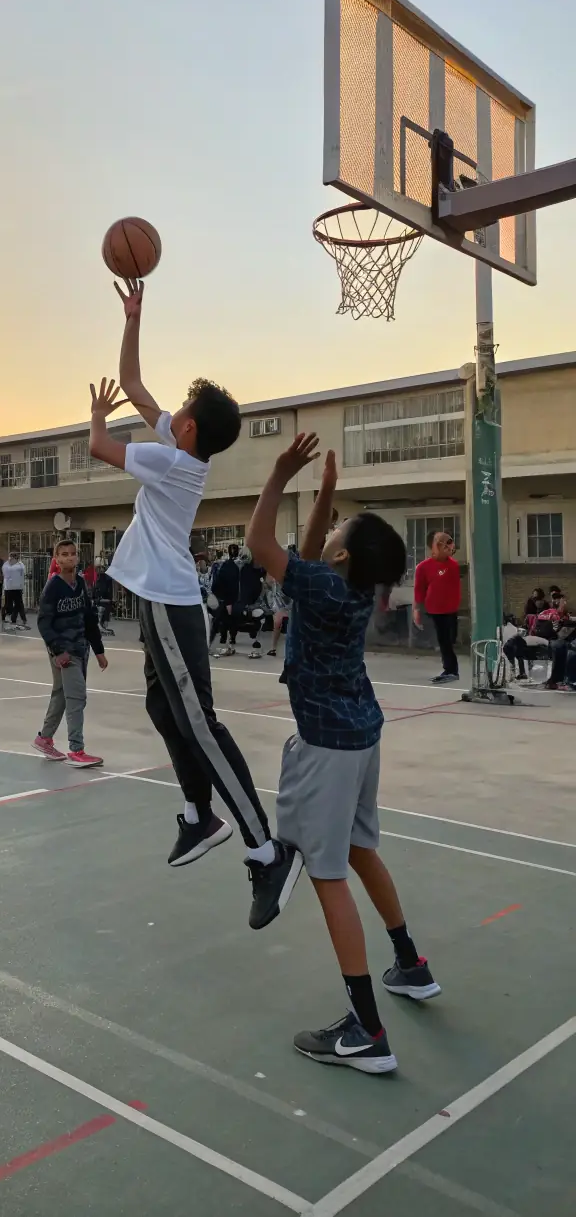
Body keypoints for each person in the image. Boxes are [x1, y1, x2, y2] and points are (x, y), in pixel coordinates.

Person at [89, 276, 299, 930]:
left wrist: (97, 418)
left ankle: (266, 850)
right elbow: (133, 378)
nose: (169, 409)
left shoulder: (169, 462)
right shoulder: (178, 448)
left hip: (172, 602)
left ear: (186, 426)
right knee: (161, 704)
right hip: (161, 601)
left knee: (199, 721)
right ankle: (197, 813)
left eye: (178, 407)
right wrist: (133, 314)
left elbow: (99, 444)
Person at [247, 434, 438, 1075]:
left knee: (328, 873)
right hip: (362, 735)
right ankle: (410, 963)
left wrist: (277, 475)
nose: (325, 536)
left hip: (327, 745)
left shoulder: (325, 591)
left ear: (344, 554)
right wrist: (324, 493)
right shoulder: (336, 587)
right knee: (359, 849)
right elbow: (303, 553)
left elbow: (261, 546)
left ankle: (366, 1031)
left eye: (335, 530)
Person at [33, 538, 108, 768]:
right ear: (56, 559)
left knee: (61, 694)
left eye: (72, 553)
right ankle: (77, 749)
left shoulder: (81, 584)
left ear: (78, 557)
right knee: (76, 697)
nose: (69, 557)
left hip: (81, 647)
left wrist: (99, 651)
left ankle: (44, 738)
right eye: (63, 554)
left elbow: (89, 618)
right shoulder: (53, 587)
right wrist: (57, 650)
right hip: (64, 651)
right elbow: (44, 623)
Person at [413, 531, 461, 683]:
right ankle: (451, 669)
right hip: (435, 610)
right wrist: (417, 610)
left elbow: (455, 588)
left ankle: (451, 668)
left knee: (449, 640)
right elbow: (419, 590)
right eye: (442, 543)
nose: (447, 546)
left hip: (451, 610)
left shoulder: (453, 565)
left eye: (448, 542)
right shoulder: (423, 567)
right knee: (444, 640)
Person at [1, 551, 29, 630]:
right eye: (10, 557)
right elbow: (5, 573)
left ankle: (21, 619)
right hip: (8, 587)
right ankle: (5, 617)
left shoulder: (20, 565)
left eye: (12, 557)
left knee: (19, 604)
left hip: (17, 588)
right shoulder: (6, 565)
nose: (10, 559)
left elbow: (22, 573)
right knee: (8, 604)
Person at [265, 574, 290, 657]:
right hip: (278, 601)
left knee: (292, 625)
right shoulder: (272, 572)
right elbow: (268, 583)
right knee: (277, 623)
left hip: (290, 599)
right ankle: (273, 648)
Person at [95, 562, 115, 635]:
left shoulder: (105, 580)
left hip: (102, 599)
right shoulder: (100, 580)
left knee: (107, 605)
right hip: (99, 600)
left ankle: (104, 623)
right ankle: (103, 623)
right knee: (106, 605)